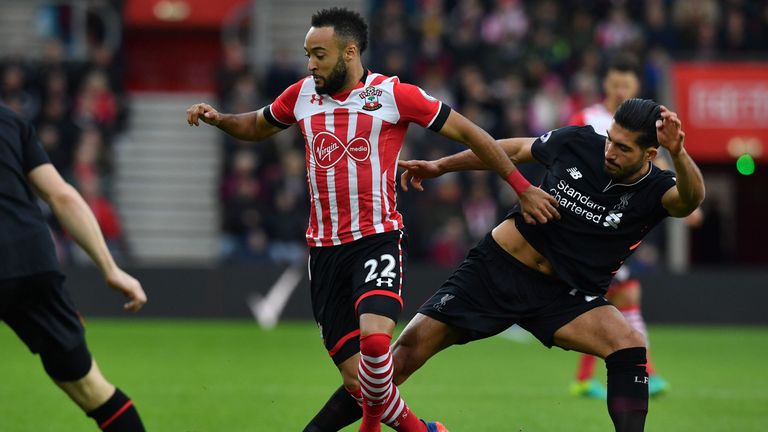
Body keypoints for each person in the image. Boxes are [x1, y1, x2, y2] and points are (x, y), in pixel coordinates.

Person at [185, 8, 558, 432]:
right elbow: (256, 125)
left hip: (375, 238)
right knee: (356, 379)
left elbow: (473, 134)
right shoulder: (301, 94)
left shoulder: (393, 95)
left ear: (349, 52)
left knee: (377, 343)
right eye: (307, 54)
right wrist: (220, 120)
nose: (310, 64)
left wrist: (521, 187)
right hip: (324, 252)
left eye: (319, 54)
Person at [307, 98, 705, 431]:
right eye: (610, 140)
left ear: (650, 154)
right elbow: (513, 150)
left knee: (628, 343)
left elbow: (690, 200)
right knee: (404, 354)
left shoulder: (658, 188)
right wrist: (441, 166)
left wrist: (681, 152)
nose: (610, 152)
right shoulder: (579, 142)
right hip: (493, 273)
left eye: (623, 148)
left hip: (562, 295)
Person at [0, 104, 147, 431]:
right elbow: (62, 195)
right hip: (32, 261)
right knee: (93, 390)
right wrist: (111, 268)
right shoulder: (11, 122)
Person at [567, 55, 697, 399]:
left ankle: (590, 377)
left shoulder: (648, 131)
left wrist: (686, 201)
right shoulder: (587, 120)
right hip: (590, 223)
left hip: (622, 224)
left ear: (636, 87)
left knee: (613, 299)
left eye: (627, 84)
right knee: (621, 297)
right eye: (616, 83)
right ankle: (644, 371)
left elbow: (663, 169)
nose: (621, 89)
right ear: (606, 85)